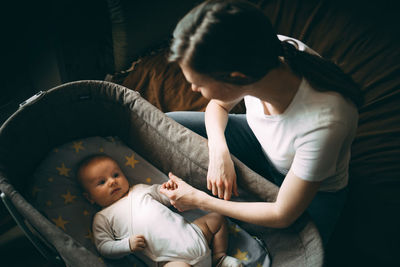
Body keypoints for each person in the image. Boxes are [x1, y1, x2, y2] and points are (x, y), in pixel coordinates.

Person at [164, 0, 362, 246]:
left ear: (237, 79)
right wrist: (219, 151)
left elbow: (283, 214)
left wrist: (198, 199)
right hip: (259, 141)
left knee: (300, 250)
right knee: (170, 127)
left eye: (199, 84)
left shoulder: (325, 123)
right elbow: (218, 105)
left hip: (315, 192)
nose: (193, 89)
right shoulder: (262, 55)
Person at [76, 154, 243, 267]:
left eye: (115, 175)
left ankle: (219, 258)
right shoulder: (103, 217)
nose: (112, 182)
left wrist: (169, 190)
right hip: (171, 260)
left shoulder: (139, 189)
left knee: (217, 217)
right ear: (89, 197)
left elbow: (165, 196)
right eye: (101, 182)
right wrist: (126, 245)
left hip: (194, 234)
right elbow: (104, 247)